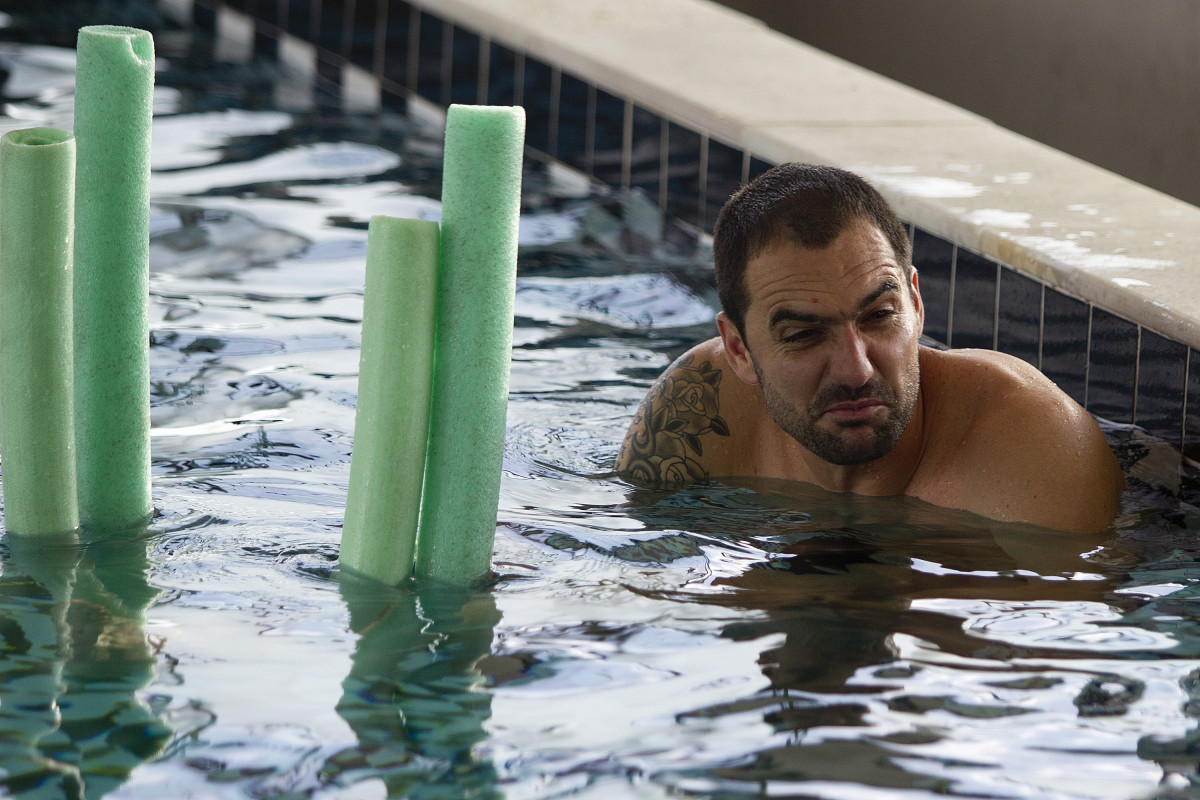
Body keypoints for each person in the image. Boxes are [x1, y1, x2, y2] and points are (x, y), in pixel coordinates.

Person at [616, 163, 1124, 532]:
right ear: (739, 350)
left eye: (879, 317)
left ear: (917, 305)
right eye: (804, 335)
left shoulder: (1033, 447)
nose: (857, 370)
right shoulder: (695, 416)